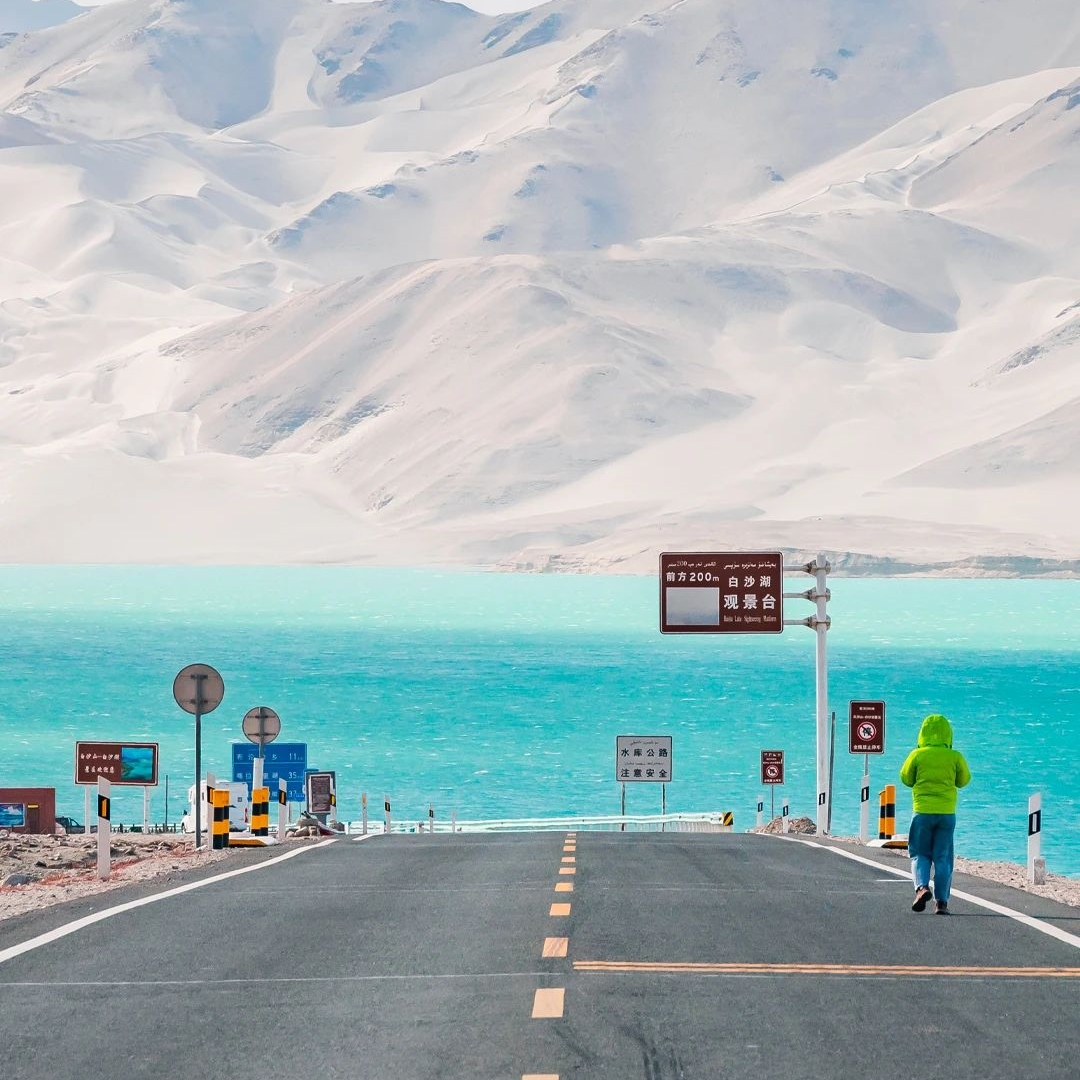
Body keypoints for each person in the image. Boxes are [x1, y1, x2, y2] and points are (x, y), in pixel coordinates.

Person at [899, 713, 972, 915]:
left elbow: (905, 778)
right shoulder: (955, 756)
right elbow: (963, 780)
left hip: (922, 811)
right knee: (943, 858)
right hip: (947, 813)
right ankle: (941, 902)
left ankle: (922, 887)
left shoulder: (917, 755)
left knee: (919, 853)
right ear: (948, 735)